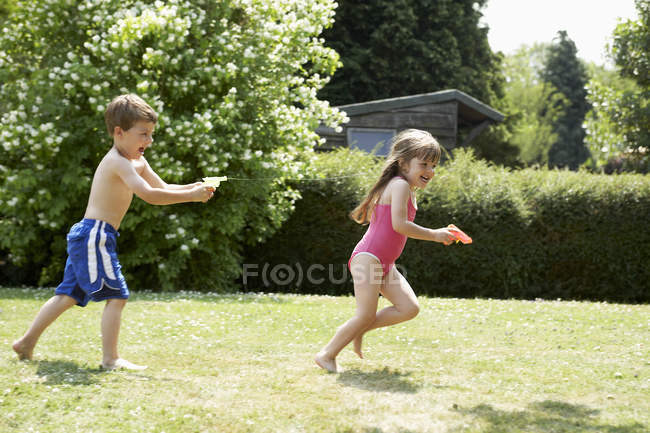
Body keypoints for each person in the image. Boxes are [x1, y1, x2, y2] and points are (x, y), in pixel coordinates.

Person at [12, 94, 215, 370]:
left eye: (151, 134)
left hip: (92, 236)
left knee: (68, 295)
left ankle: (25, 343)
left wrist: (193, 187)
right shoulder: (117, 161)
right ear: (119, 132)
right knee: (116, 295)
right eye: (143, 134)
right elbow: (150, 195)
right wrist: (191, 196)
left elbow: (163, 187)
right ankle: (110, 359)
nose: (149, 141)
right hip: (95, 235)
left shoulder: (137, 161)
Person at [314, 129, 460, 373]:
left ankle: (360, 330)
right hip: (369, 259)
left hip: (384, 262)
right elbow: (399, 225)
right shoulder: (400, 185)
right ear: (403, 163)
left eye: (433, 165)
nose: (429, 171)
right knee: (365, 314)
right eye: (423, 164)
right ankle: (326, 355)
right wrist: (434, 234)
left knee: (409, 308)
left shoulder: (405, 188)